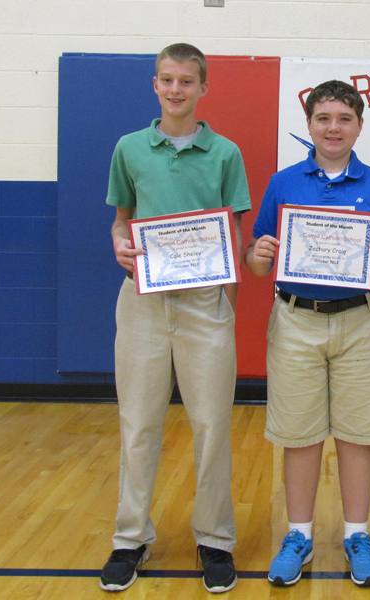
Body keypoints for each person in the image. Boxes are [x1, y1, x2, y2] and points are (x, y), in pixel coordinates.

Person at [245, 80, 370, 587]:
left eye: (344, 119)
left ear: (359, 126)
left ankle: (357, 534)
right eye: (324, 118)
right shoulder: (283, 182)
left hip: (362, 320)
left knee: (358, 435)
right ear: (310, 125)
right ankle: (298, 534)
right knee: (299, 434)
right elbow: (257, 259)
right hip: (296, 319)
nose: (333, 128)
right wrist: (259, 255)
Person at [100, 43, 251, 594]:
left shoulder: (225, 153)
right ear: (154, 84)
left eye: (186, 81)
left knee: (211, 426)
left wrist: (225, 305)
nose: (175, 89)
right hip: (143, 301)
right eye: (167, 79)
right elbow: (122, 220)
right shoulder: (129, 148)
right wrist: (119, 242)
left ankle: (215, 539)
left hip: (205, 302)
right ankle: (130, 538)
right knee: (138, 423)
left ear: (203, 87)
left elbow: (234, 232)